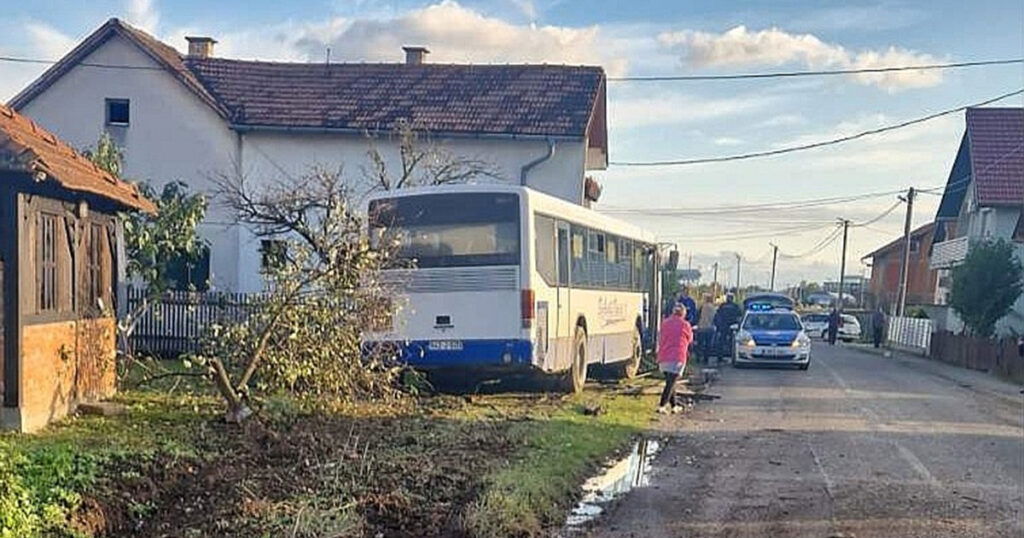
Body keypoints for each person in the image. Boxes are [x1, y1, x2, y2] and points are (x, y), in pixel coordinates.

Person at [657, 303, 693, 414]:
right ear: (683, 313)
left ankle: (674, 405)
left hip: (663, 356)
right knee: (671, 382)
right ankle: (662, 405)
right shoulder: (685, 325)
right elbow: (690, 339)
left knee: (670, 381)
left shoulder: (665, 323)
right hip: (677, 357)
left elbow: (660, 337)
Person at [713, 293, 742, 359]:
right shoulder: (735, 306)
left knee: (721, 342)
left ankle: (720, 357)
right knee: (732, 342)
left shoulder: (722, 306)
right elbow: (739, 316)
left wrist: (718, 325)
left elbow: (717, 315)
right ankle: (731, 356)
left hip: (723, 326)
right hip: (732, 326)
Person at [695, 293, 717, 364]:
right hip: (710, 328)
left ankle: (698, 358)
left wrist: (696, 324)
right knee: (708, 345)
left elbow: (697, 316)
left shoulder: (702, 307)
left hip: (701, 327)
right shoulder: (714, 308)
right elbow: (716, 318)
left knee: (700, 344)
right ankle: (706, 359)